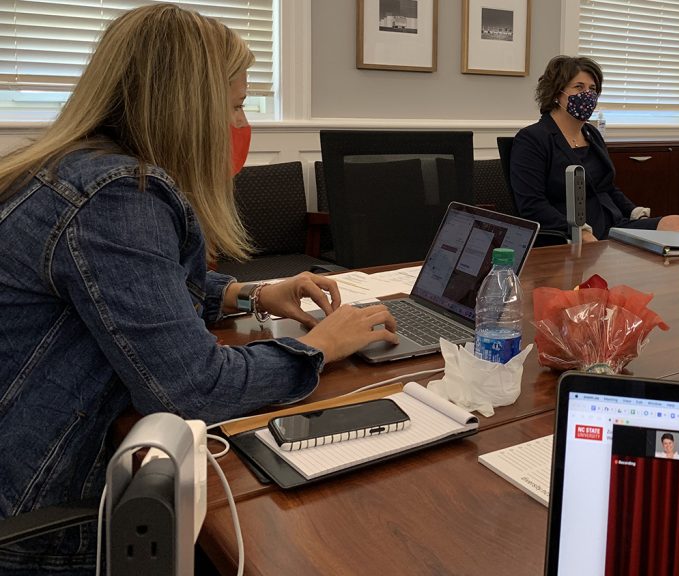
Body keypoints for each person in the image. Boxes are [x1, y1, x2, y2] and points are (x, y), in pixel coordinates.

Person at [0, 5, 398, 573]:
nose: (241, 122)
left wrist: (251, 296)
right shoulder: (119, 196)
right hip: (46, 521)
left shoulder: (73, 168)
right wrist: (322, 346)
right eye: (236, 104)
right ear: (189, 108)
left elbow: (126, 293)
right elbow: (193, 389)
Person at [509, 55, 679, 241]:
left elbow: (608, 187)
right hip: (569, 233)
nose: (587, 94)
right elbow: (531, 205)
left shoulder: (592, 134)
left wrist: (635, 212)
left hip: (614, 224)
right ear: (557, 93)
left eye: (593, 89)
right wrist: (579, 231)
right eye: (579, 87)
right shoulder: (532, 139)